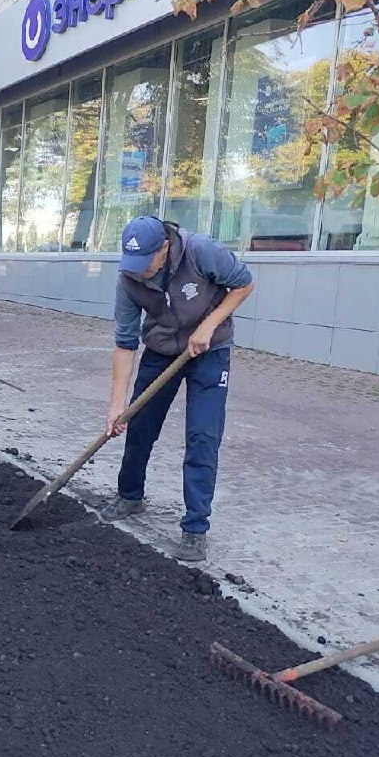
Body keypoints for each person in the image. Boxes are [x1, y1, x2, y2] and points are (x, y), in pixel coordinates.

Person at [99, 216, 255, 563]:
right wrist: (116, 405)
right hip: (160, 351)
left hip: (210, 351)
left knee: (202, 436)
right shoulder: (128, 278)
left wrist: (209, 325)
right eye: (133, 264)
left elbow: (244, 285)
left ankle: (195, 528)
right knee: (139, 425)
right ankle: (130, 496)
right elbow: (125, 343)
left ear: (165, 248)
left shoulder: (201, 251)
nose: (140, 272)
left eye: (146, 263)